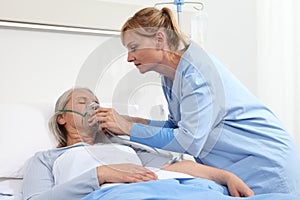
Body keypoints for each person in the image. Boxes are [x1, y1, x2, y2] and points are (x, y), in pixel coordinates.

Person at [94, 7, 300, 196]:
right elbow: (175, 126)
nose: (129, 58)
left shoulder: (196, 75)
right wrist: (133, 121)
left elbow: (188, 140)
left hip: (266, 163)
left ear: (159, 40)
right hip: (238, 166)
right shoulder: (169, 76)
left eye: (134, 47)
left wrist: (129, 128)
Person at [22, 87, 254, 200]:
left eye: (96, 102)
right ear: (62, 117)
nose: (93, 106)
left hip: (174, 191)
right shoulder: (46, 158)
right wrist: (102, 174)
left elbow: (172, 168)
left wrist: (225, 176)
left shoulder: (125, 147)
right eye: (83, 102)